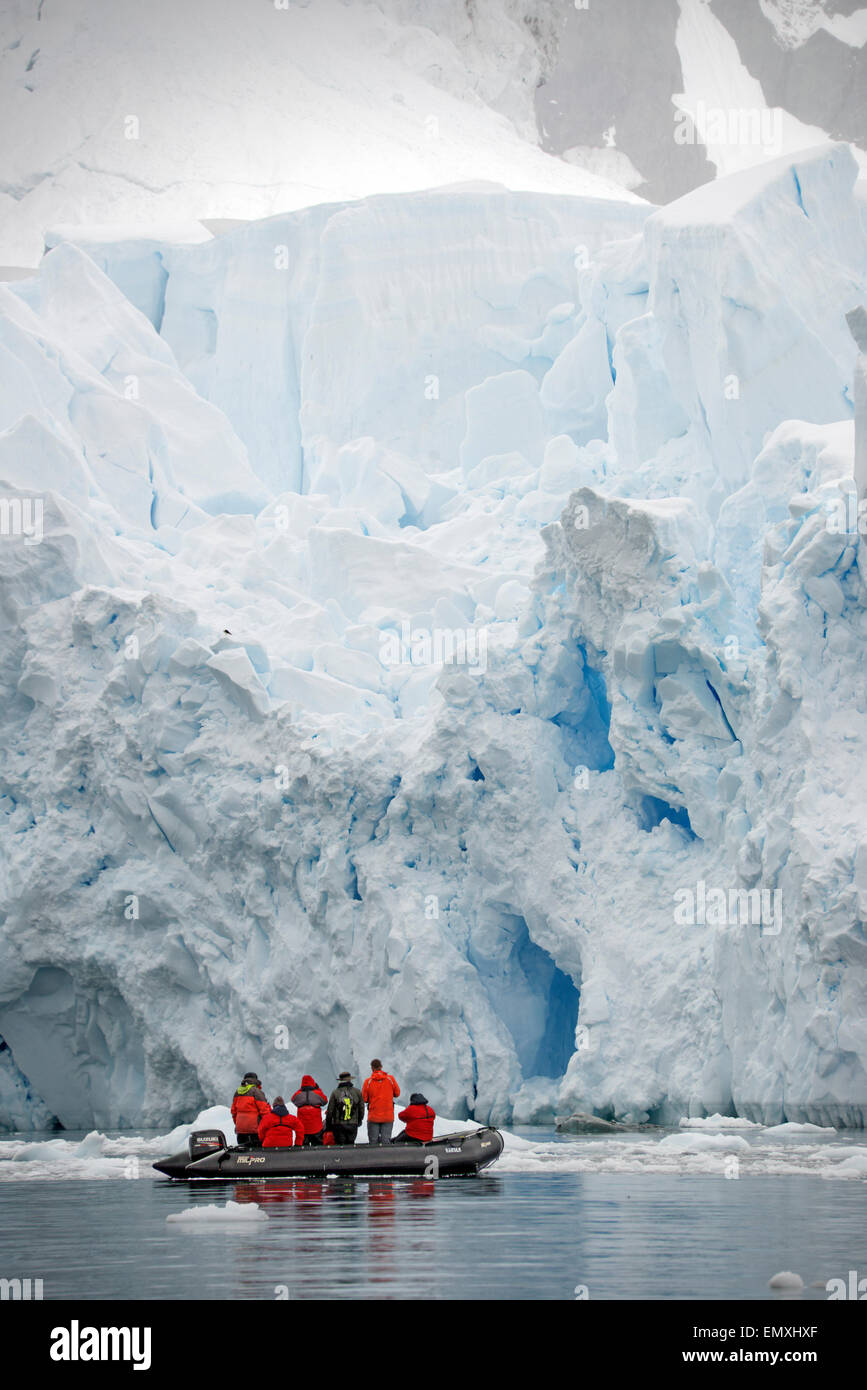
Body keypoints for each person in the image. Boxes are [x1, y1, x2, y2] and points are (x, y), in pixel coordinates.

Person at [362, 1059, 400, 1144]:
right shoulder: (390, 1079)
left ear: (372, 1068)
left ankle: (374, 1157)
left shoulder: (368, 1082)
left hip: (373, 1116)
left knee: (373, 1141)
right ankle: (386, 1157)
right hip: (388, 1115)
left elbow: (364, 1099)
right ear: (381, 1067)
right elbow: (397, 1093)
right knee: (386, 1141)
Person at [325, 1071, 364, 1146]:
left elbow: (330, 1110)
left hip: (338, 1124)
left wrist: (328, 1125)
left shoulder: (335, 1093)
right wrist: (359, 1120)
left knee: (340, 1146)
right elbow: (361, 1108)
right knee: (350, 1145)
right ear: (349, 1080)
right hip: (353, 1124)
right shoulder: (357, 1092)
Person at [231, 1072, 269, 1149]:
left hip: (241, 1129)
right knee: (258, 1153)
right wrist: (266, 1126)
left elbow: (234, 1112)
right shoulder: (256, 1092)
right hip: (255, 1129)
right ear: (255, 1080)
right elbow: (265, 1111)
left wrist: (238, 1124)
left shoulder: (237, 1092)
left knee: (243, 1153)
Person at [291, 1074, 328, 1146]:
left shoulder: (298, 1094)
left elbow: (293, 1099)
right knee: (318, 1147)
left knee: (303, 1149)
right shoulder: (317, 1093)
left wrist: (301, 1089)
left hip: (303, 1128)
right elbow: (325, 1101)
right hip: (316, 1127)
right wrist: (317, 1089)